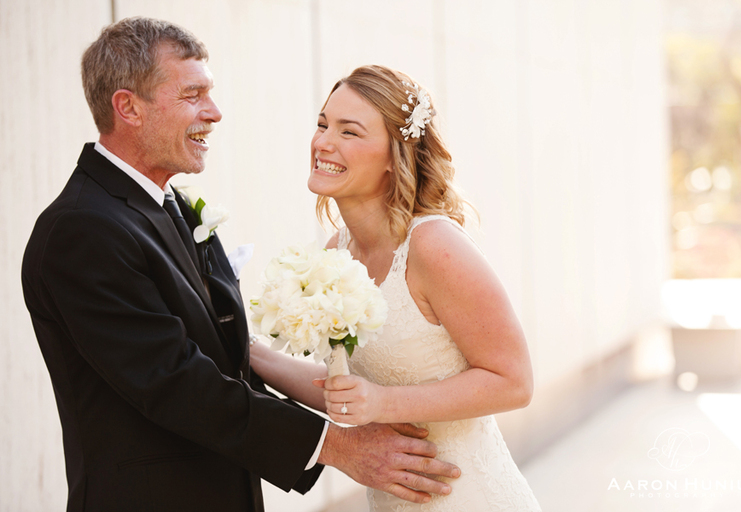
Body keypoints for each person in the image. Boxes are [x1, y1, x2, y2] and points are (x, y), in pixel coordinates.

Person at [21, 19, 459, 512]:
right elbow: (174, 381)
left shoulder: (171, 208)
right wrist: (337, 445)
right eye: (193, 95)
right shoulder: (82, 229)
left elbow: (227, 358)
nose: (215, 112)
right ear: (128, 108)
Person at [248, 65, 542, 511]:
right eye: (323, 124)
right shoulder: (337, 252)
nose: (323, 142)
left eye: (350, 132)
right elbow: (347, 390)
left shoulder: (433, 246)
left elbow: (514, 381)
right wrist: (247, 352)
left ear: (394, 154)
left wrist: (382, 403)